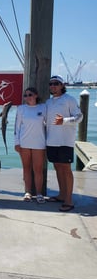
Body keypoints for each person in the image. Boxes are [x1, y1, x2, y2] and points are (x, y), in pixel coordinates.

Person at [45, 75, 83, 212]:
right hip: (51, 141)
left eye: (56, 83)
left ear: (62, 85)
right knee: (57, 167)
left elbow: (80, 117)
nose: (53, 86)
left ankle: (69, 200)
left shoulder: (69, 100)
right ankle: (61, 195)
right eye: (51, 84)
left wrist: (65, 121)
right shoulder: (48, 103)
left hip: (65, 141)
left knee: (66, 169)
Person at [14, 87, 46, 203]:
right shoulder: (21, 109)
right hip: (24, 143)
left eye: (30, 94)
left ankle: (39, 193)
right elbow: (17, 127)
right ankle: (27, 192)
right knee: (26, 168)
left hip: (39, 143)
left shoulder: (43, 107)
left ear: (36, 95)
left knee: (38, 170)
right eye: (26, 95)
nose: (28, 97)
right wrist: (16, 142)